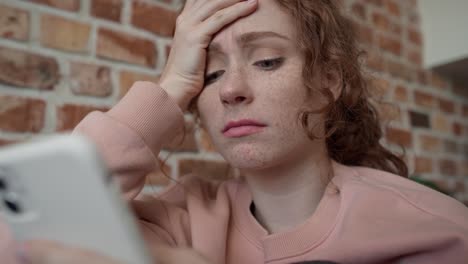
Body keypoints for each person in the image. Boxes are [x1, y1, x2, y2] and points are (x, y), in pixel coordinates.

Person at [3, 0, 468, 263]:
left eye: (267, 60)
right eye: (207, 75)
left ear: (328, 81)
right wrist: (168, 89)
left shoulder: (435, 231)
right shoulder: (177, 219)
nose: (231, 90)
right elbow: (14, 238)